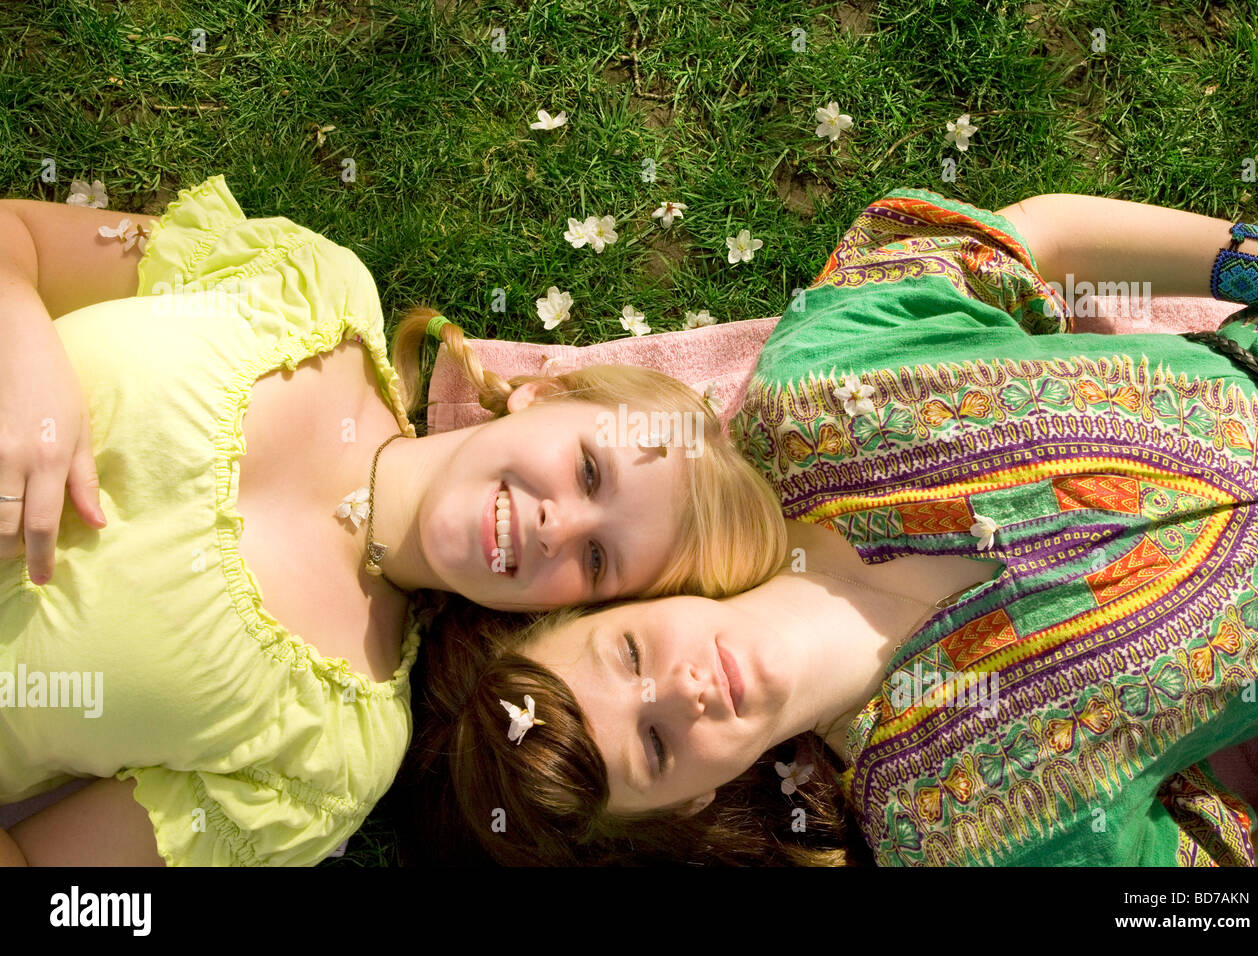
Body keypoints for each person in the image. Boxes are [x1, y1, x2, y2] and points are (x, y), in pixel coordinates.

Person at [399, 187, 1258, 866]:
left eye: (631, 655)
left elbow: (1031, 239)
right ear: (692, 801)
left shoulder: (811, 395)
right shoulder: (953, 828)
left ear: (612, 604)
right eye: (654, 745)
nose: (683, 688)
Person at [0, 174, 787, 865]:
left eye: (597, 561)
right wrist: (24, 353)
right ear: (545, 393)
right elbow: (17, 240)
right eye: (589, 470)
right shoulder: (311, 289)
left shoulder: (328, 759)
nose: (557, 524)